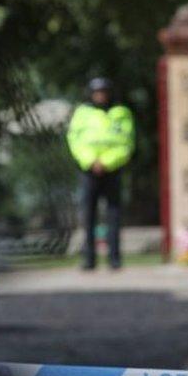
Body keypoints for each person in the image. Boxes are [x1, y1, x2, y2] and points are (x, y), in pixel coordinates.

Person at [66, 77, 134, 270]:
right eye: (97, 92)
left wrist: (107, 162)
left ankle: (114, 258)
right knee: (88, 215)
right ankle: (88, 259)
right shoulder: (82, 113)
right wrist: (90, 161)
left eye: (104, 92)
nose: (100, 95)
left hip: (112, 169)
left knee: (114, 215)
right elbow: (75, 139)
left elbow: (126, 143)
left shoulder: (121, 113)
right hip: (88, 170)